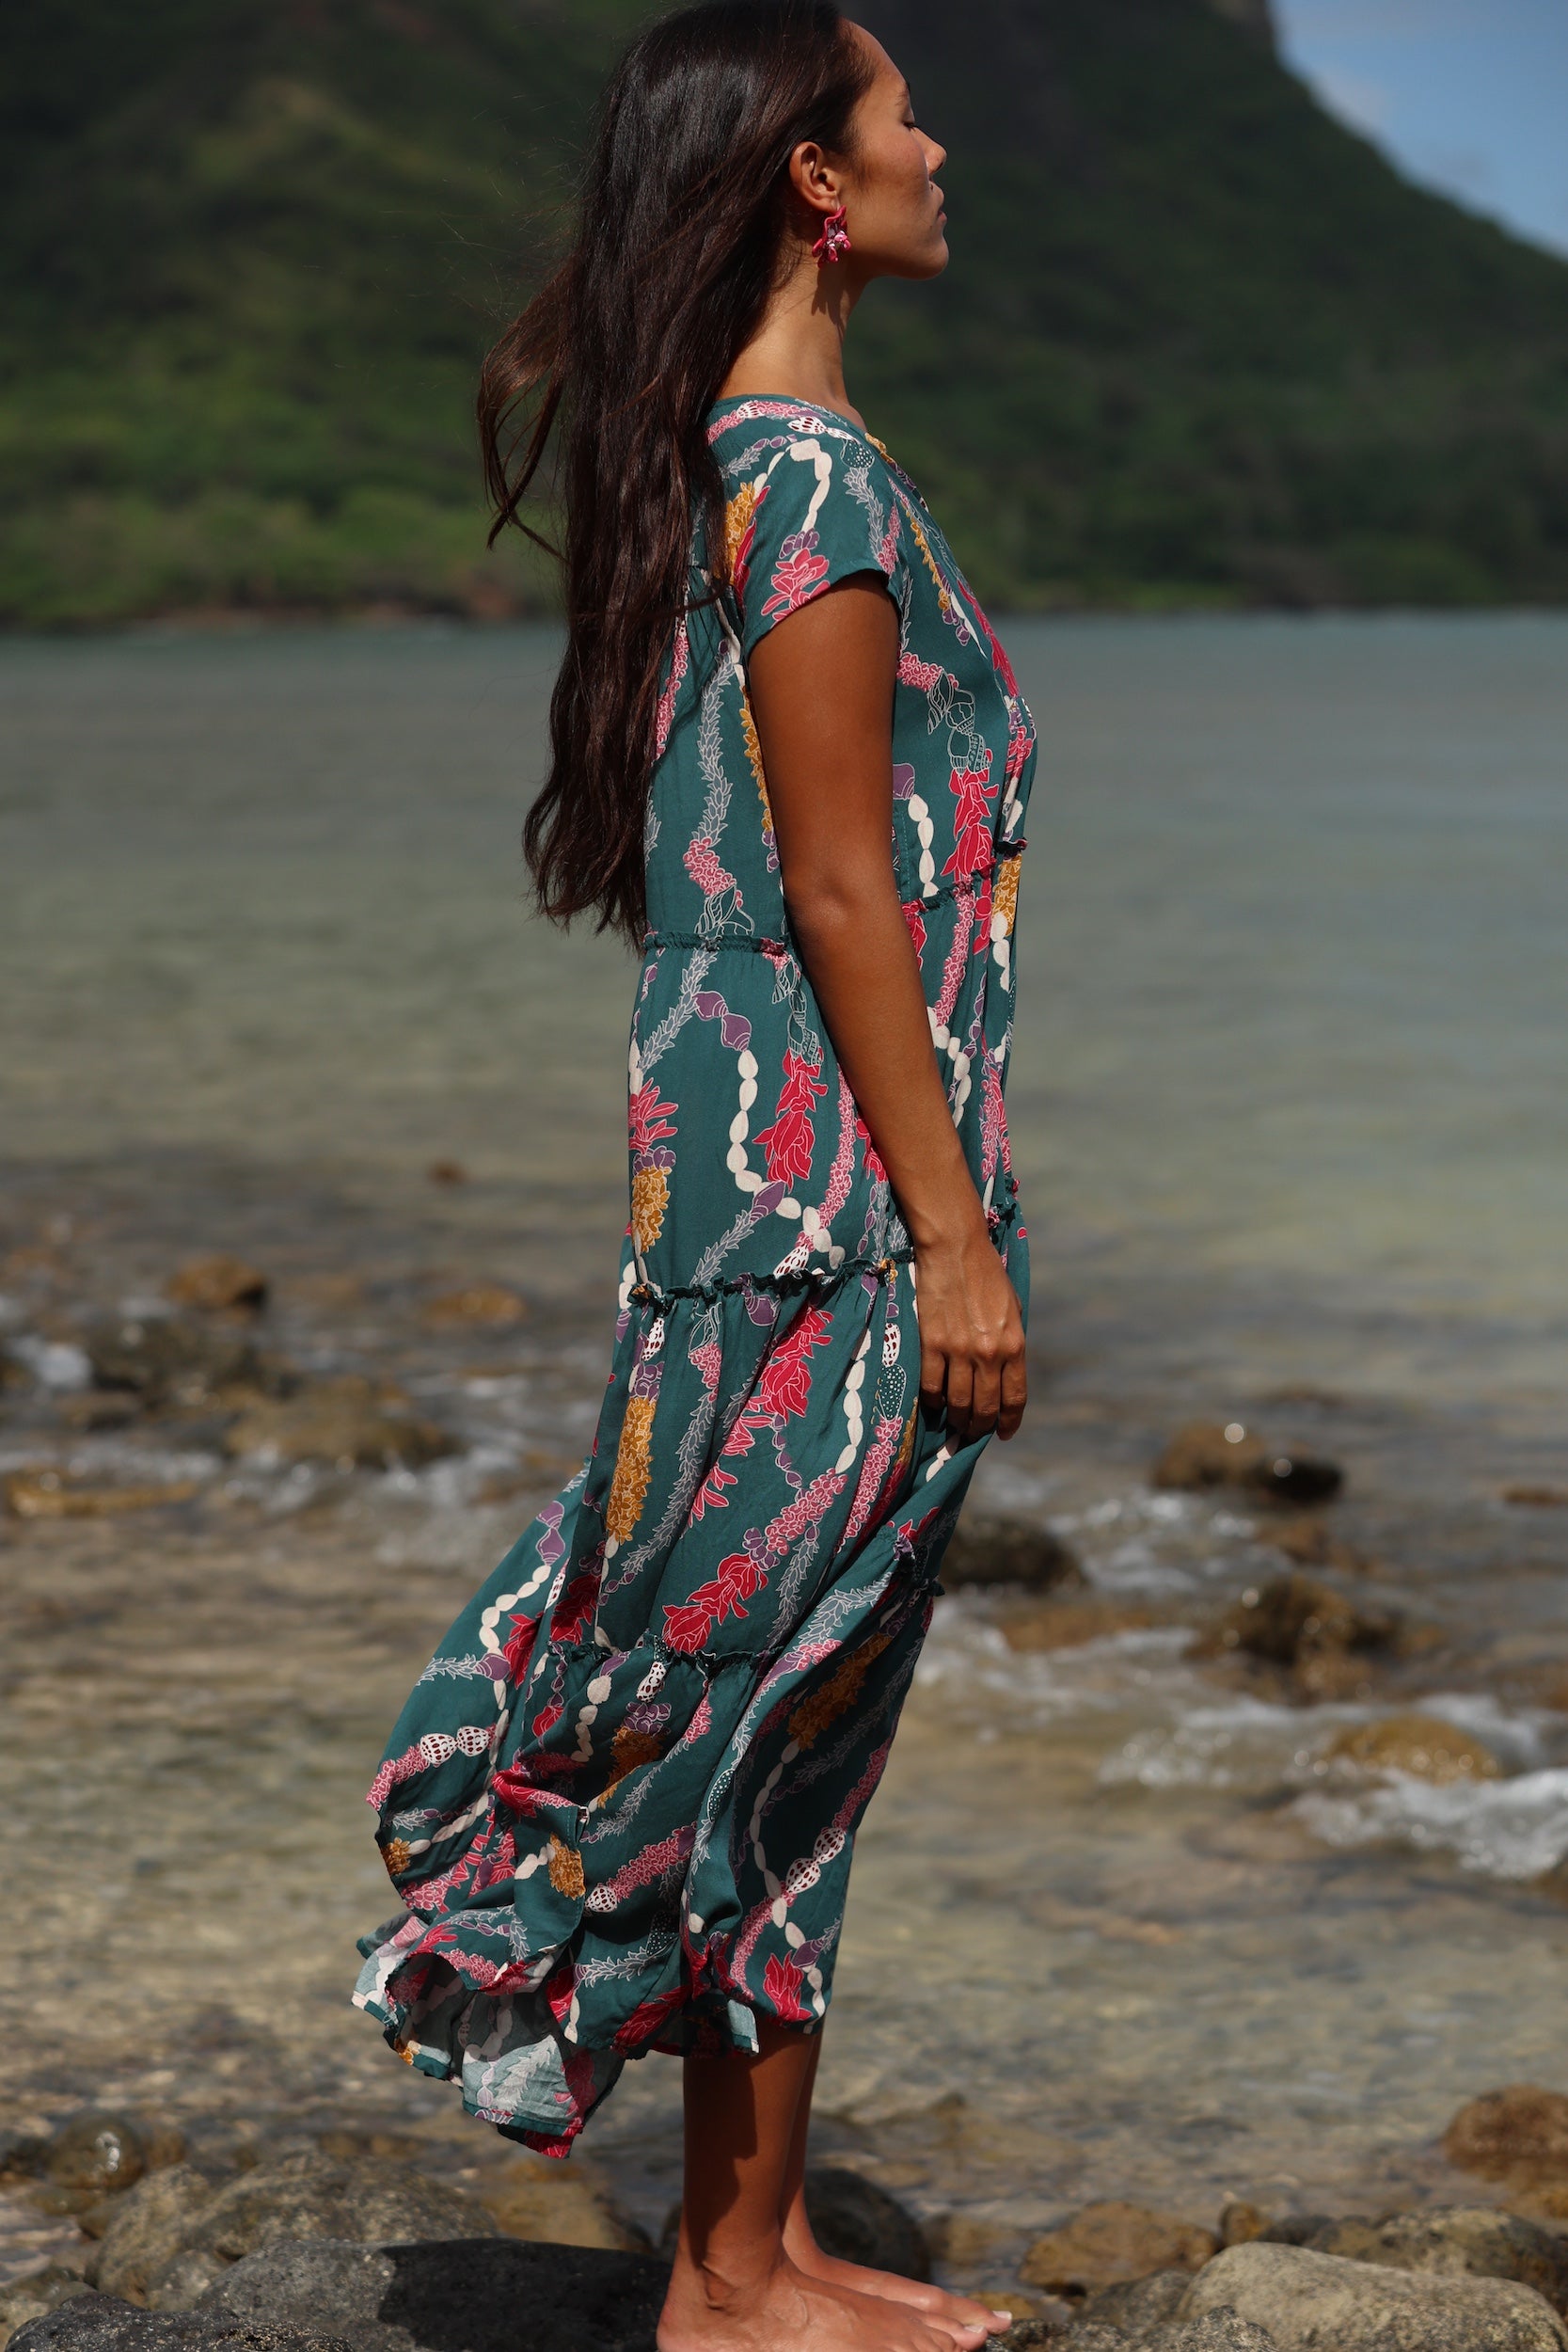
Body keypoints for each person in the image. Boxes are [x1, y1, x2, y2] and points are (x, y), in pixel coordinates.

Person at [353, 6, 1034, 2344]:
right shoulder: (809, 484)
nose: (937, 142)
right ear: (817, 187)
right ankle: (728, 2280)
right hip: (830, 1208)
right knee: (773, 1708)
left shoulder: (739, 463)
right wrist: (953, 1231)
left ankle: (760, 2240)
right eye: (900, 113)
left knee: (783, 1701)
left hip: (761, 1196)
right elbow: (840, 887)